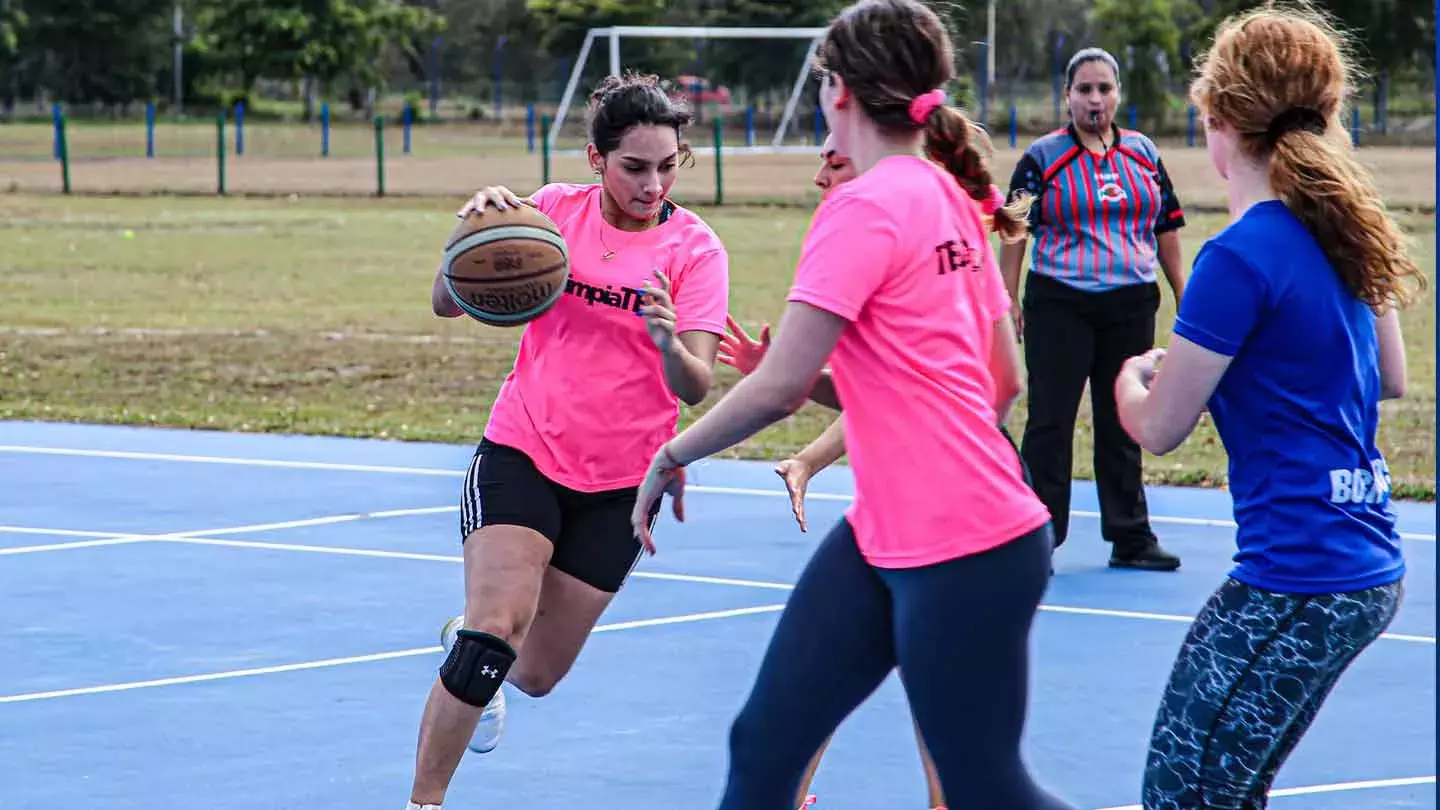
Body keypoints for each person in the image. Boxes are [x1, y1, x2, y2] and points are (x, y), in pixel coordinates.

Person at [630, 1, 1074, 807]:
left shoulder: (861, 207)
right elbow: (1001, 381)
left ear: (837, 90)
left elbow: (780, 385)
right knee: (763, 748)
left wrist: (670, 454)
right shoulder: (948, 195)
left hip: (963, 544)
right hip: (893, 534)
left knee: (985, 786)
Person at [1112, 5, 1424, 807]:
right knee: (1225, 786)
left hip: (1301, 576)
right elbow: (1390, 376)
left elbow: (1159, 428)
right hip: (1360, 559)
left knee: (1182, 791)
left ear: (1218, 122)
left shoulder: (1238, 256)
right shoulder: (1346, 230)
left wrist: (1130, 376)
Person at [404, 72, 730, 810]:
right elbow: (445, 303)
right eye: (634, 166)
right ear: (595, 158)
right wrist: (474, 235)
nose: (652, 183)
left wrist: (668, 338)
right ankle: (423, 801)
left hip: (622, 481)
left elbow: (697, 385)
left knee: (537, 673)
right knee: (494, 634)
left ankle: (469, 647)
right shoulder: (548, 213)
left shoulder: (696, 251)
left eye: (668, 166)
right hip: (525, 448)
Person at [718, 134, 949, 810]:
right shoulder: (875, 241)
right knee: (816, 682)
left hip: (944, 505)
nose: (819, 173)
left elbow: (912, 390)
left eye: (833, 159)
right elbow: (868, 389)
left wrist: (673, 454)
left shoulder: (907, 249)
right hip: (896, 501)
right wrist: (810, 456)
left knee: (925, 681)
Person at [998, 46, 1187, 572]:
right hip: (1061, 303)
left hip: (1130, 302)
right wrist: (1006, 296)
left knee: (1124, 420)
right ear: (1067, 97)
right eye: (1084, 89)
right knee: (1050, 424)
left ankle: (1131, 537)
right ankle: (1037, 537)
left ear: (1117, 94)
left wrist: (1181, 291)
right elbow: (1013, 230)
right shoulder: (1042, 158)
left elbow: (1166, 226)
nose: (1095, 99)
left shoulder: (1144, 153)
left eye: (1104, 88)